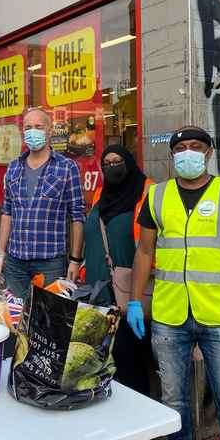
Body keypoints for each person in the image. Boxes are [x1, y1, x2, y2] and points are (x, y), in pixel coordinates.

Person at [128, 126, 220, 440]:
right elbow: (145, 251)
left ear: (208, 153)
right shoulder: (157, 196)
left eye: (196, 146)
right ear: (173, 155)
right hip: (169, 315)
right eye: (181, 148)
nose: (188, 152)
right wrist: (135, 301)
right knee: (173, 403)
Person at [82, 145, 153, 395]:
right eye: (107, 163)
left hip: (129, 292)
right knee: (103, 358)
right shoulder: (102, 193)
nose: (112, 167)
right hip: (98, 289)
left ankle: (142, 423)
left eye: (118, 161)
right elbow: (93, 233)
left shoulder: (146, 191)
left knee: (129, 360)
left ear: (130, 163)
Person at [0, 108, 86, 300]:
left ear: (50, 131)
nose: (32, 131)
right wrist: (1, 254)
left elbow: (77, 216)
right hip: (15, 261)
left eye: (38, 126)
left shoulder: (67, 167)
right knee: (15, 315)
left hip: (51, 262)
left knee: (48, 320)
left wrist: (75, 260)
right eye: (28, 127)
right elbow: (7, 212)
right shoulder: (13, 167)